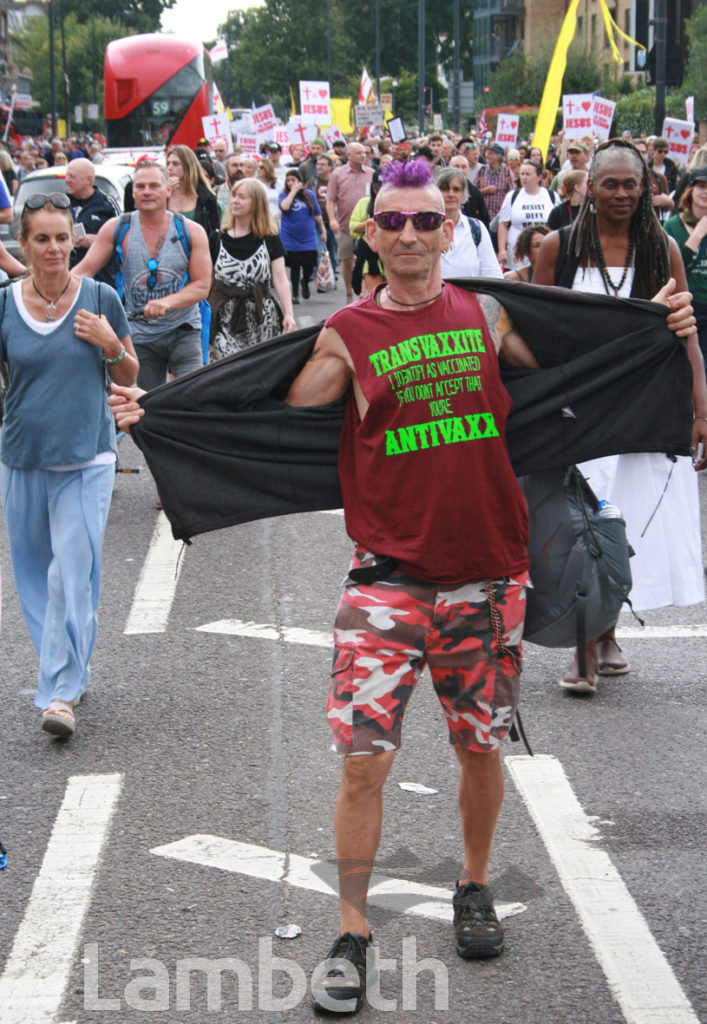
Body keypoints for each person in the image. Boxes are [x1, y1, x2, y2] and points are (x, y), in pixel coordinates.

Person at [110, 157, 543, 1010]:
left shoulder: (490, 316)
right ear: (371, 232)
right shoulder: (347, 333)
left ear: (448, 229)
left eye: (427, 220)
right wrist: (160, 413)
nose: (412, 234)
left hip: (490, 575)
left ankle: (475, 884)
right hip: (387, 581)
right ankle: (352, 929)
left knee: (479, 747)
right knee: (361, 766)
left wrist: (667, 327)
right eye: (395, 221)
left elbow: (581, 366)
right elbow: (270, 414)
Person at [534, 138, 707, 693]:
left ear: (647, 189)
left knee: (628, 524)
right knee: (579, 527)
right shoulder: (557, 248)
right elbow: (533, 332)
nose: (621, 193)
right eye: (609, 183)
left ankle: (603, 631)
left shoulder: (663, 251)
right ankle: (588, 644)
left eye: (632, 184)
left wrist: (700, 408)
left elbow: (685, 335)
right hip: (576, 411)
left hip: (644, 411)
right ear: (588, 188)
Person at [0, 193, 138, 738]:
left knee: (68, 577)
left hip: (88, 457)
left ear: (73, 238)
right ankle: (72, 669)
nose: (54, 248)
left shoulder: (101, 297)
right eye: (42, 239)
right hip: (23, 457)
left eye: (62, 237)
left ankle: (58, 692)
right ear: (25, 244)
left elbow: (129, 373)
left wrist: (108, 343)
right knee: (36, 578)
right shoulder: (5, 304)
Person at [75, 161, 212, 390]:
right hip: (139, 333)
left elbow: (202, 286)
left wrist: (167, 302)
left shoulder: (190, 231)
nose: (147, 192)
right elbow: (84, 270)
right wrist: (48, 289)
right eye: (140, 187)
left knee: (192, 399)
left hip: (183, 329)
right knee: (145, 404)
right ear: (133, 192)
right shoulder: (117, 228)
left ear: (168, 189)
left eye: (154, 185)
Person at [208, 177, 296, 360]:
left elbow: (280, 279)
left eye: (242, 197)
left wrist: (288, 314)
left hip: (261, 316)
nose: (234, 201)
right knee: (228, 370)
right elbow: (208, 281)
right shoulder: (217, 239)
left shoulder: (269, 238)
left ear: (256, 203)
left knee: (261, 369)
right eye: (233, 196)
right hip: (226, 317)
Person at [664, 166, 707, 360]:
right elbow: (671, 268)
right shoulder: (673, 225)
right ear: (691, 190)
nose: (705, 192)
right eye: (701, 186)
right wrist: (697, 234)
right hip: (686, 308)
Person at [326, 142, 374, 302]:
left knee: (366, 259)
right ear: (349, 155)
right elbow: (330, 199)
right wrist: (332, 219)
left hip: (367, 227)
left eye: (365, 153)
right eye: (359, 153)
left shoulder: (372, 173)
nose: (363, 155)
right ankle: (349, 292)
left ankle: (363, 292)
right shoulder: (338, 174)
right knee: (347, 261)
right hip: (345, 225)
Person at [437, 166, 502, 279]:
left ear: (463, 194)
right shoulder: (424, 227)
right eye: (445, 189)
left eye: (456, 189)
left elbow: (493, 274)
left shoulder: (476, 229)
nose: (451, 194)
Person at [66, 158, 120, 287]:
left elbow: (122, 239)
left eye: (72, 177)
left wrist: (97, 240)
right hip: (70, 279)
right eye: (67, 175)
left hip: (101, 280)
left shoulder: (106, 204)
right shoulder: (62, 204)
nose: (67, 180)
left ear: (88, 180)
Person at [497, 160, 557, 270]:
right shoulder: (512, 196)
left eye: (528, 174)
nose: (524, 177)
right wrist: (502, 249)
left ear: (539, 177)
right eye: (522, 174)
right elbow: (503, 225)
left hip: (544, 253)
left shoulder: (551, 196)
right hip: (517, 256)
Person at [279, 167, 326, 303]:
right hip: (290, 238)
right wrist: (293, 192)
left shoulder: (309, 195)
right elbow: (285, 207)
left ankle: (304, 282)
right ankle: (294, 293)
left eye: (293, 180)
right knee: (294, 267)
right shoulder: (284, 195)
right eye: (288, 181)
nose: (290, 183)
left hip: (308, 238)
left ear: (300, 181)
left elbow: (317, 214)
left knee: (309, 264)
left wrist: (322, 229)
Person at [166, 145, 221, 234]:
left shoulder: (206, 198)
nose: (169, 168)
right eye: (168, 163)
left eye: (175, 164)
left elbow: (215, 232)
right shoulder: (163, 195)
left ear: (188, 166)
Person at [476, 143, 515, 223]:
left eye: (490, 153)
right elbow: (472, 193)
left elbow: (512, 196)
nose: (487, 156)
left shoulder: (507, 173)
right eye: (487, 153)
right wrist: (485, 191)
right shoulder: (481, 170)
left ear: (499, 156)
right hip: (481, 216)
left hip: (500, 218)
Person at [255, 157, 281, 227]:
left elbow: (282, 199)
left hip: (276, 218)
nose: (259, 169)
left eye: (261, 167)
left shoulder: (277, 183)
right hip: (260, 220)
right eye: (257, 167)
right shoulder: (255, 183)